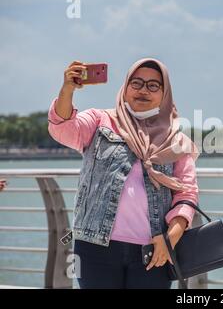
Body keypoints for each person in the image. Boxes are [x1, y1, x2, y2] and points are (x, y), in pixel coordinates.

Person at [48, 58, 199, 288]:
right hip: (95, 247)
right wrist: (67, 89)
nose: (143, 90)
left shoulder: (176, 140)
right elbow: (62, 127)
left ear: (164, 92)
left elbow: (187, 195)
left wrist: (170, 239)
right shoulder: (100, 121)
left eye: (153, 85)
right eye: (136, 83)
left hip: (153, 249)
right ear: (125, 87)